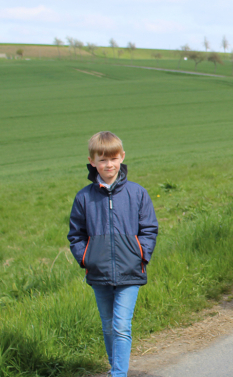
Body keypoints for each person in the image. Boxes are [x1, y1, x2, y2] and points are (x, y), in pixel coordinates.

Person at [68, 131, 158, 377]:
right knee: (108, 326)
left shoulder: (137, 193)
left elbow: (149, 229)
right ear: (92, 161)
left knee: (120, 326)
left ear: (122, 157)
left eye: (113, 158)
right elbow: (75, 235)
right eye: (102, 159)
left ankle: (118, 373)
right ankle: (115, 366)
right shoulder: (84, 197)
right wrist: (87, 258)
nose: (109, 164)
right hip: (99, 272)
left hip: (130, 269)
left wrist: (141, 254)